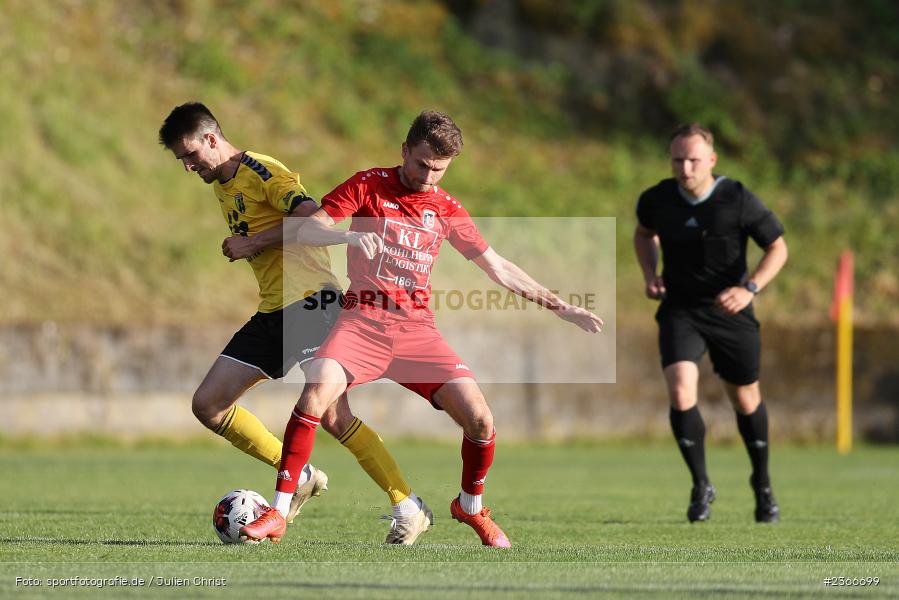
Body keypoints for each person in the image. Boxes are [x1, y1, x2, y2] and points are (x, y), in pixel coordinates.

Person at [239, 110, 603, 546]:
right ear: (405, 151)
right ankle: (278, 513)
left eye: (439, 170)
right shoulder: (368, 184)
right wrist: (350, 238)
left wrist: (560, 306)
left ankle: (470, 507)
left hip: (417, 332)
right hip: (362, 322)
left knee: (481, 420)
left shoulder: (446, 207)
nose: (429, 177)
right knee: (316, 392)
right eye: (422, 165)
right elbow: (310, 228)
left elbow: (498, 267)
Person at [158, 103, 430, 544]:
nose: (188, 166)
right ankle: (300, 473)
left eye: (191, 154)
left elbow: (310, 218)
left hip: (312, 303)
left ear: (211, 138)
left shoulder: (264, 172)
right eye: (181, 160)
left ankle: (407, 505)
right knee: (208, 404)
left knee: (335, 417)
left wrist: (254, 242)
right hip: (273, 311)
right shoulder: (221, 183)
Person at [634, 123, 788, 523]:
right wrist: (651, 273)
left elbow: (777, 247)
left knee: (745, 398)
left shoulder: (737, 198)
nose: (685, 168)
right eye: (678, 160)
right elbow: (643, 234)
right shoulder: (657, 199)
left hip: (730, 313)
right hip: (680, 310)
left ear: (712, 160)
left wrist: (750, 288)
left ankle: (763, 483)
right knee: (681, 390)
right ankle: (701, 484)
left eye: (693, 160)